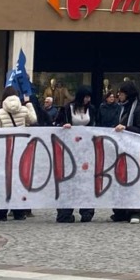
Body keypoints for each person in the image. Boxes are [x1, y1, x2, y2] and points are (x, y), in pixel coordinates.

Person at [0, 85, 37, 221]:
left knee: (4, 181)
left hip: (5, 151)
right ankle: (19, 211)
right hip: (21, 149)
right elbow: (33, 120)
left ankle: (1, 212)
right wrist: (28, 104)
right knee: (19, 180)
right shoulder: (22, 110)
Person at [110, 80, 140, 224]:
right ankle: (120, 211)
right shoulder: (122, 109)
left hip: (134, 152)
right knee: (120, 180)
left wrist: (126, 129)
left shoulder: (138, 110)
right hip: (122, 151)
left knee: (134, 181)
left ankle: (136, 212)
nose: (118, 95)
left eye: (121, 92)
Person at [56, 86, 96, 224]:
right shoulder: (68, 108)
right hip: (69, 149)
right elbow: (57, 123)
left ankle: (87, 211)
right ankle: (65, 212)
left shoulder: (92, 109)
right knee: (68, 179)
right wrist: (64, 126)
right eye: (85, 97)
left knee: (85, 179)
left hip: (86, 149)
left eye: (89, 97)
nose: (87, 100)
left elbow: (95, 125)